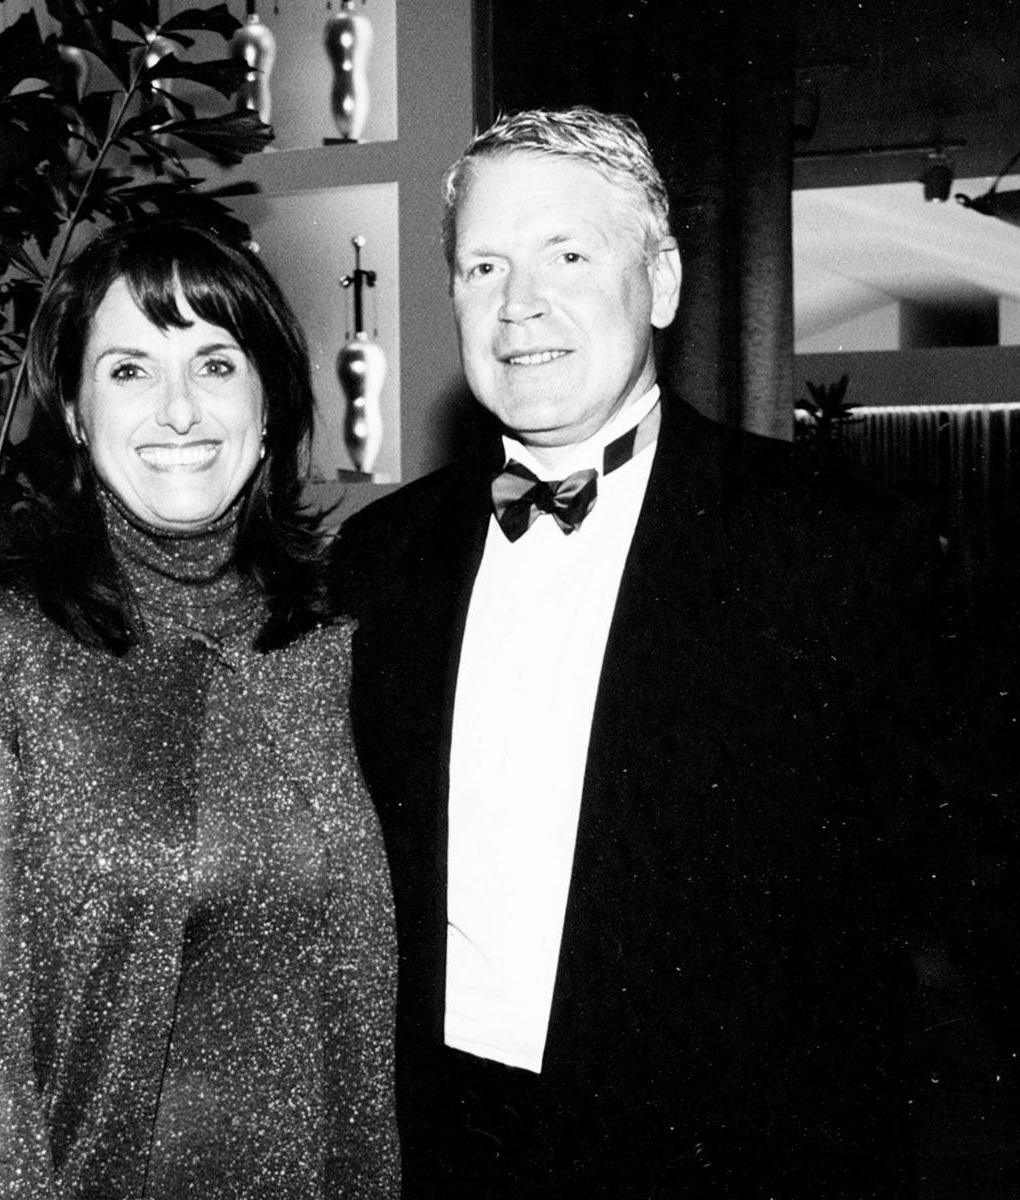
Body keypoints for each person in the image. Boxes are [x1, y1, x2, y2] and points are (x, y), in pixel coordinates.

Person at [335, 106, 1016, 1196]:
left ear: (660, 281)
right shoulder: (378, 562)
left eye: (567, 254)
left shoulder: (837, 550)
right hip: (447, 1153)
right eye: (484, 267)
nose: (520, 306)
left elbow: (990, 889)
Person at [0, 218, 399, 1199]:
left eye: (215, 364)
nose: (179, 410)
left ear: (268, 403)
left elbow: (362, 1032)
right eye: (131, 370)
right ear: (76, 414)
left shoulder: (332, 648)